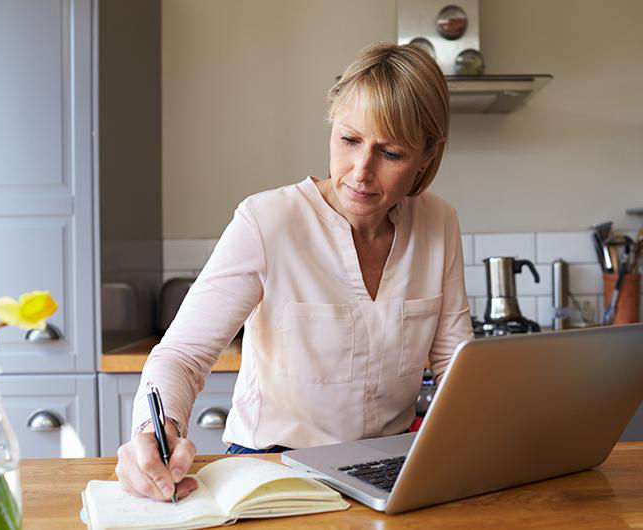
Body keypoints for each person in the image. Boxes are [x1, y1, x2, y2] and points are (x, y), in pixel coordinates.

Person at [115, 42, 473, 501]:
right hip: (273, 467)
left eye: (391, 154)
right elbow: (182, 355)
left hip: (390, 470)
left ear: (428, 154)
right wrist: (154, 430)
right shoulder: (266, 221)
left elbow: (454, 368)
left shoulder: (438, 223)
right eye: (349, 141)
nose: (360, 171)